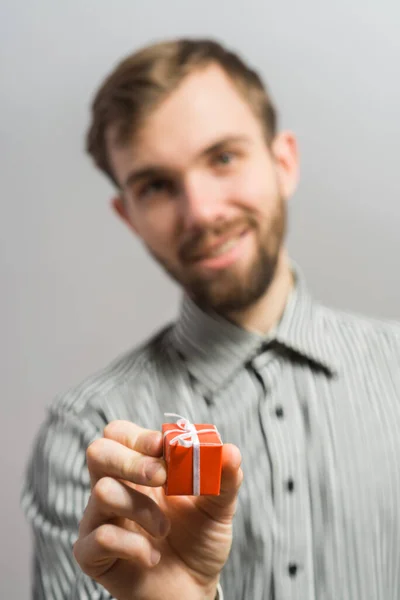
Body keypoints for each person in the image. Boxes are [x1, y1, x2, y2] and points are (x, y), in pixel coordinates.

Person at [21, 37, 400, 600]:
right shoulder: (86, 434)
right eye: (156, 186)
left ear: (283, 162)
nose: (201, 212)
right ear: (129, 216)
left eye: (223, 157)